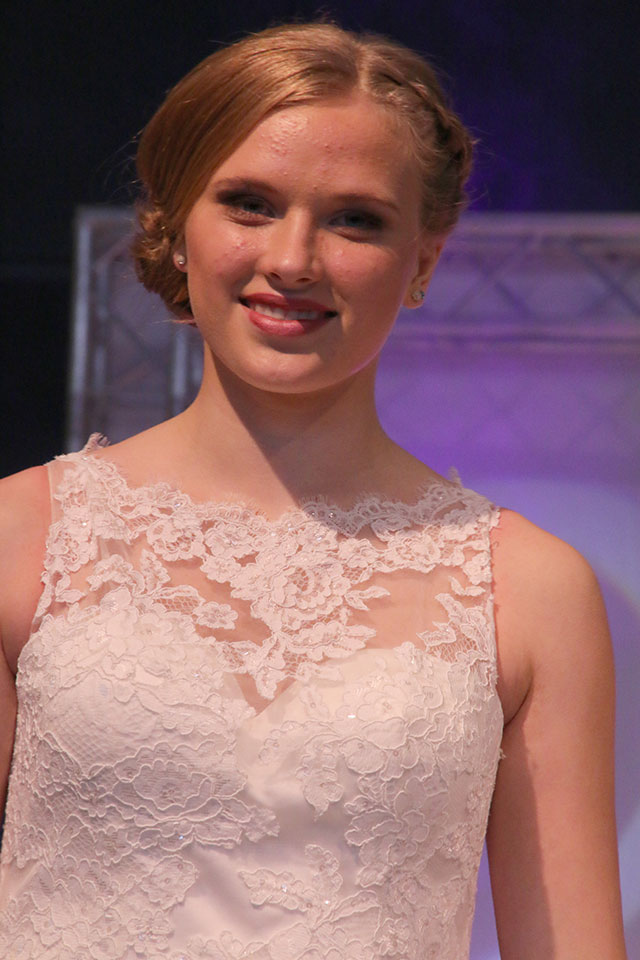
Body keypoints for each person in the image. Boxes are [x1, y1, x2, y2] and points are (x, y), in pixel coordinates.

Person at [0, 21, 627, 960]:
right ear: (175, 226)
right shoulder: (22, 535)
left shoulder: (531, 591)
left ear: (424, 258)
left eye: (354, 219)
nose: (294, 259)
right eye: (250, 204)